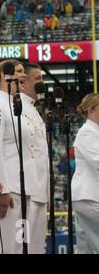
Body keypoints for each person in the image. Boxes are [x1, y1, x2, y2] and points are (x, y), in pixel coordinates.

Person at [0, 60, 37, 254]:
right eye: (18, 72)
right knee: (5, 246)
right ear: (4, 76)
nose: (23, 76)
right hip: (11, 188)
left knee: (20, 246)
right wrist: (3, 189)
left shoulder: (17, 106)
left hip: (25, 187)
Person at [21, 63, 49, 254]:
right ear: (24, 82)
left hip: (39, 189)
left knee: (38, 246)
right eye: (37, 79)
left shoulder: (34, 109)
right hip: (26, 189)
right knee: (23, 245)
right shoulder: (19, 107)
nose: (42, 83)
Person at [72, 93, 99, 253]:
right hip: (90, 197)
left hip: (89, 197)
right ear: (91, 110)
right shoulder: (87, 132)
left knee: (86, 248)